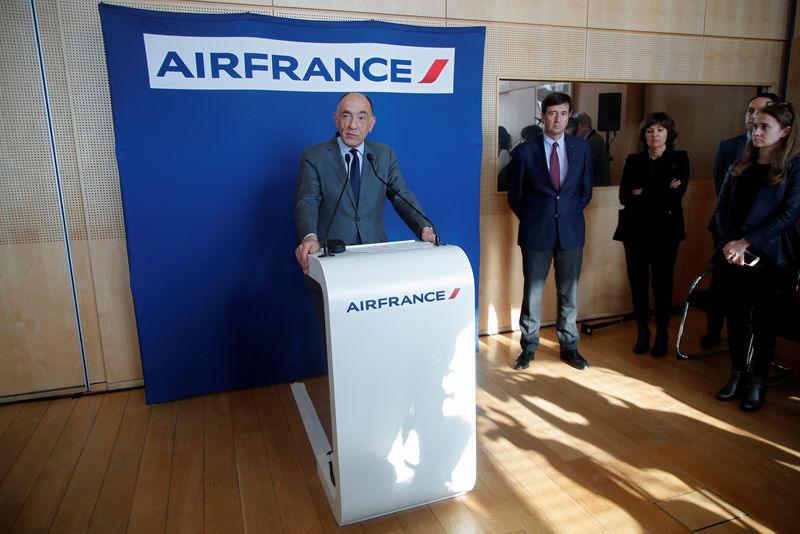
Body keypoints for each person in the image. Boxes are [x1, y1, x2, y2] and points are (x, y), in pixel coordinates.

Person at [713, 101, 800, 412]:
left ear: (784, 132)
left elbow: (789, 213)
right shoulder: (740, 164)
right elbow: (721, 208)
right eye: (755, 125)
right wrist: (728, 242)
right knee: (735, 318)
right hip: (734, 253)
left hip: (772, 255)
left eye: (765, 127)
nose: (756, 130)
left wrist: (746, 242)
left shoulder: (794, 167)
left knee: (764, 323)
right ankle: (737, 374)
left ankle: (758, 381)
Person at [294, 92, 436, 274]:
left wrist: (424, 227)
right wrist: (309, 237)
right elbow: (308, 201)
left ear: (371, 124)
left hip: (376, 257)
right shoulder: (314, 156)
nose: (353, 125)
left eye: (361, 118)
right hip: (331, 258)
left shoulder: (385, 155)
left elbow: (402, 196)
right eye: (346, 116)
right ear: (336, 119)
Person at [507, 92, 594, 371]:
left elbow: (585, 192)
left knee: (569, 293)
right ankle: (528, 347)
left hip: (571, 231)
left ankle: (569, 346)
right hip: (536, 231)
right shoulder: (524, 151)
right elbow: (515, 196)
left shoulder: (582, 148)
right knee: (532, 293)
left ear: (569, 117)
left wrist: (565, 214)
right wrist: (536, 217)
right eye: (552, 113)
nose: (558, 119)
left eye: (563, 114)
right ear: (543, 116)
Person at [701, 92, 781, 349]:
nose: (754, 118)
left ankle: (752, 355)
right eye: (750, 112)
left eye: (761, 112)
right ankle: (714, 330)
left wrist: (748, 239)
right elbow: (720, 191)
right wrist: (730, 237)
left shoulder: (787, 160)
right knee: (722, 284)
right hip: (728, 231)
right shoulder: (729, 147)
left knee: (755, 299)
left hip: (764, 239)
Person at [613, 112, 689, 357]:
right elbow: (625, 196)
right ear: (644, 134)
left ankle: (663, 334)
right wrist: (660, 189)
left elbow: (676, 195)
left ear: (669, 133)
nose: (654, 135)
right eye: (649, 130)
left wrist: (643, 193)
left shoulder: (680, 159)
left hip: (666, 233)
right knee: (638, 284)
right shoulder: (634, 160)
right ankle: (643, 331)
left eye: (660, 130)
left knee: (662, 285)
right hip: (635, 231)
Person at [573, 111, 611, 186]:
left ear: (586, 126)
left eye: (576, 126)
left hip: (599, 189)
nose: (574, 130)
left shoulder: (594, 141)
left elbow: (579, 165)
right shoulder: (593, 139)